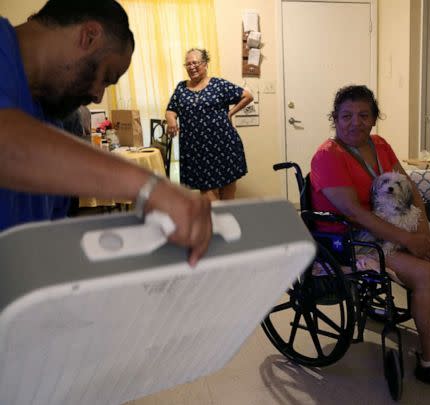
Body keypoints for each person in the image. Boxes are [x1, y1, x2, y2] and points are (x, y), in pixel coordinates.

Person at [0, 0, 211, 266]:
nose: (97, 96)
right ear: (88, 36)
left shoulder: (52, 112)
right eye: (105, 76)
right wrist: (152, 187)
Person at [310, 85, 430, 393]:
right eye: (346, 116)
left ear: (374, 119)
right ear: (334, 119)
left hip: (388, 227)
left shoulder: (380, 145)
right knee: (425, 272)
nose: (354, 122)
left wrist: (423, 230)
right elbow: (355, 213)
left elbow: (409, 189)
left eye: (363, 115)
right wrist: (408, 240)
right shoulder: (326, 157)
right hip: (350, 239)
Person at [165, 48, 254, 201]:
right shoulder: (181, 88)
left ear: (205, 64)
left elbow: (247, 95)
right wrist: (171, 120)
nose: (191, 67)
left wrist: (230, 113)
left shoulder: (218, 85)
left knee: (228, 194)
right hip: (196, 150)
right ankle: (215, 224)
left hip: (224, 145)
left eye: (195, 63)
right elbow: (171, 109)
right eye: (188, 64)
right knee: (207, 195)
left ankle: (228, 224)